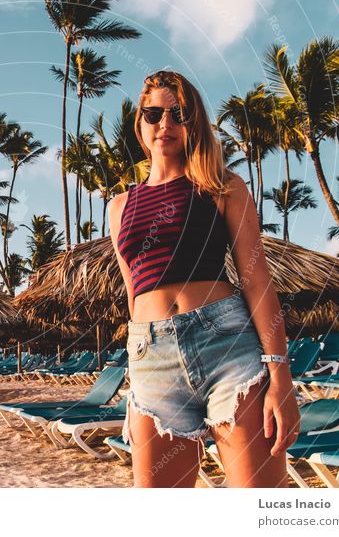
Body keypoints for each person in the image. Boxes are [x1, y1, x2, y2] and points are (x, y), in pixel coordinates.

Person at [107, 70, 300, 488]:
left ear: (193, 123)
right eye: (154, 113)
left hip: (227, 347)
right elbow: (132, 294)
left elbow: (257, 280)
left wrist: (280, 377)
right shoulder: (120, 206)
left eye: (178, 113)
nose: (165, 123)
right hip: (150, 356)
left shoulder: (221, 186)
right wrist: (134, 371)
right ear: (140, 124)